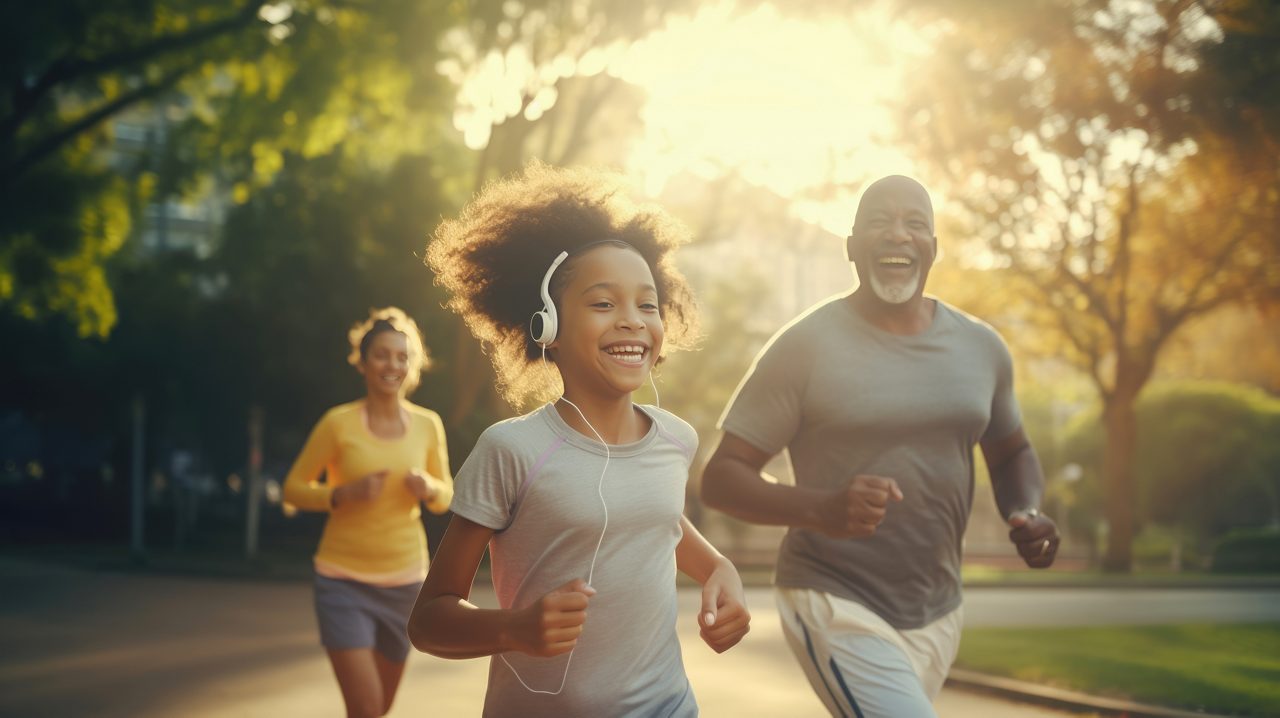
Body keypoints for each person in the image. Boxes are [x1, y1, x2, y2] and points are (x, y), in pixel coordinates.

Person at [700, 175, 1060, 717]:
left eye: (915, 224)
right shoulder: (804, 346)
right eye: (878, 222)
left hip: (939, 608)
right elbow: (722, 477)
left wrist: (1026, 510)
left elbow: (1011, 453)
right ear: (850, 247)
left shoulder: (981, 348)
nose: (898, 235)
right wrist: (822, 507)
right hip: (833, 596)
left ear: (934, 248)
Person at [408, 163, 751, 717]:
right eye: (602, 303)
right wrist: (515, 629)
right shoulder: (512, 450)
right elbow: (428, 620)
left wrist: (720, 570)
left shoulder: (675, 440)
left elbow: (659, 519)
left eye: (647, 304)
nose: (633, 320)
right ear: (548, 327)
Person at [282, 307, 453, 718]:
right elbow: (292, 490)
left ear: (411, 366)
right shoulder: (338, 424)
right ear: (362, 362)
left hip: (406, 584)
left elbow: (446, 496)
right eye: (381, 354)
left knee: (378, 711)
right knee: (365, 707)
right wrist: (343, 494)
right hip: (342, 582)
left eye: (401, 356)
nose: (392, 364)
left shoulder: (429, 425)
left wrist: (427, 487)